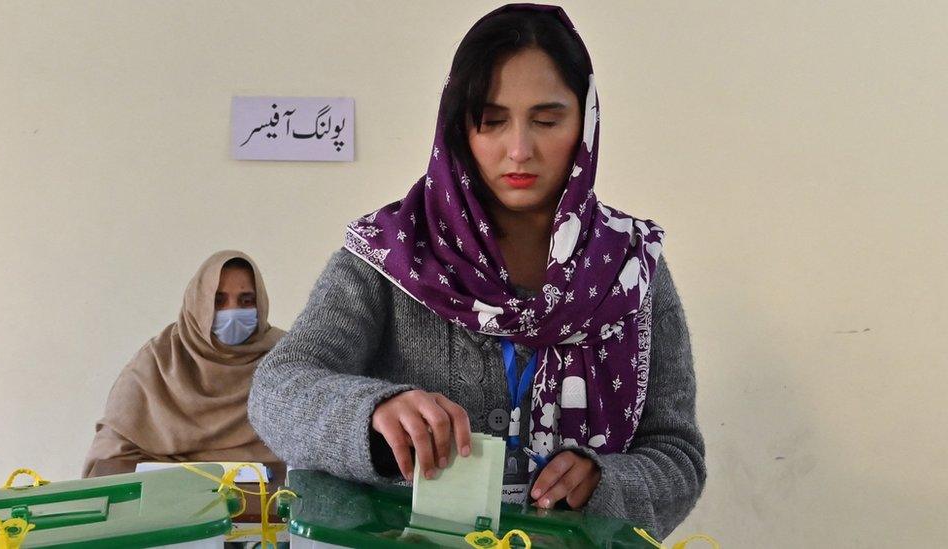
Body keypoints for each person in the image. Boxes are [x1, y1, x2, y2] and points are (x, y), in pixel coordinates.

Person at [249, 4, 704, 539]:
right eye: (491, 121)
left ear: (587, 121)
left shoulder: (631, 266)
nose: (519, 150)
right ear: (458, 128)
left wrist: (606, 483)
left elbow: (677, 455)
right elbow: (277, 391)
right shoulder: (391, 254)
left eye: (547, 119)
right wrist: (375, 411)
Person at [83, 250, 285, 477]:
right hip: (165, 505)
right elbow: (109, 457)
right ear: (199, 302)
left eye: (245, 300)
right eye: (218, 300)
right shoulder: (159, 361)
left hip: (268, 504)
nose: (232, 311)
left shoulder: (286, 359)